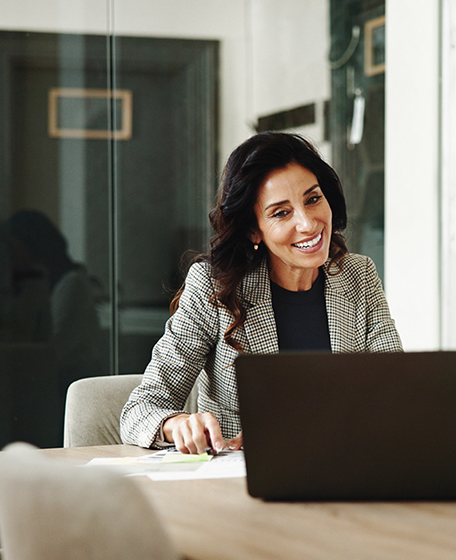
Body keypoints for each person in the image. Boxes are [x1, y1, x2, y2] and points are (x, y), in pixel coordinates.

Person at [120, 132, 402, 454]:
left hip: (342, 474)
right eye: (281, 213)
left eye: (312, 199)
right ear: (254, 229)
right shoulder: (214, 287)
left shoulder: (358, 275)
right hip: (243, 488)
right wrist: (178, 424)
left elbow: (393, 394)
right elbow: (140, 409)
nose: (309, 224)